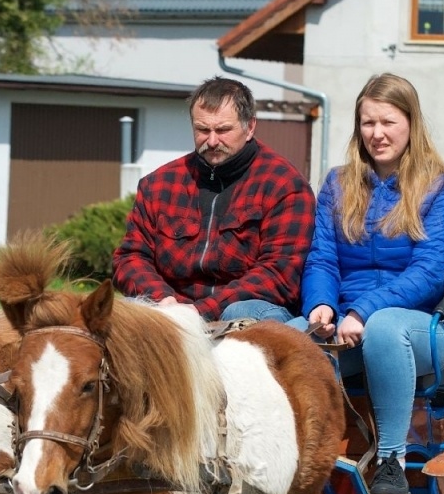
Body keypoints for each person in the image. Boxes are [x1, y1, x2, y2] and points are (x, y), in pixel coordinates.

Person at [293, 73, 444, 494]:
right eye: (368, 123)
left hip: (423, 328)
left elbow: (430, 273)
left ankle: (391, 461)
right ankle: (301, 460)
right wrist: (321, 307)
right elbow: (322, 259)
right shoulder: (338, 183)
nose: (377, 134)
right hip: (348, 322)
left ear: (410, 123)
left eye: (388, 122)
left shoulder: (439, 186)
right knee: (285, 342)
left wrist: (363, 311)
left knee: (386, 329)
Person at [112, 77, 313, 322]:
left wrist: (202, 311)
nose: (213, 141)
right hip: (171, 310)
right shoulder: (159, 184)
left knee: (241, 312)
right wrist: (164, 300)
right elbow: (130, 257)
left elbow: (280, 273)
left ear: (250, 127)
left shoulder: (284, 185)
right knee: (125, 311)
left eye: (223, 130)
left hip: (246, 313)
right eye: (203, 130)